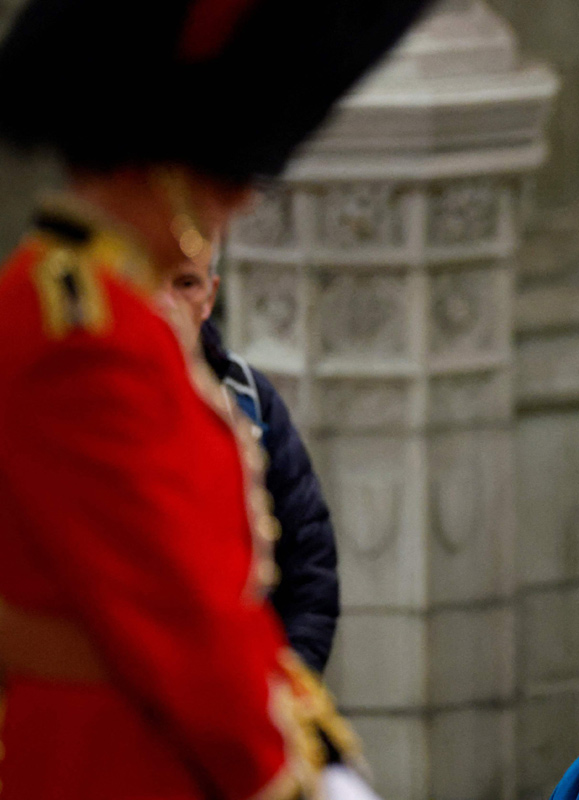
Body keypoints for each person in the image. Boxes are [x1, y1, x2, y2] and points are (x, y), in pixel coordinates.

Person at [0, 1, 428, 798]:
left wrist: (320, 748)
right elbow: (179, 618)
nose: (244, 195)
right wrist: (290, 775)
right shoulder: (81, 333)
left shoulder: (121, 316)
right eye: (227, 171)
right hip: (112, 760)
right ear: (167, 164)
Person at [166, 252, 339, 674]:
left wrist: (288, 690)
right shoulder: (90, 398)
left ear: (210, 296)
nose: (167, 303)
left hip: (243, 684)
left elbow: (309, 563)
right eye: (154, 282)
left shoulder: (248, 395)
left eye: (186, 284)